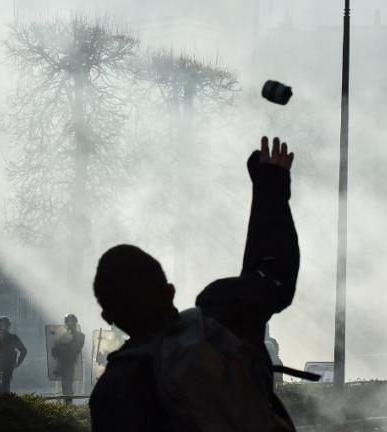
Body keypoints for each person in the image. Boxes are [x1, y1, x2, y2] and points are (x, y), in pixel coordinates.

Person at [90, 137, 299, 431]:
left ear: (109, 318)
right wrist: (270, 189)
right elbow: (271, 275)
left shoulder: (113, 391)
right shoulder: (220, 322)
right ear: (169, 291)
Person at [52, 313, 85, 404]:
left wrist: (63, 344)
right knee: (64, 386)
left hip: (69, 363)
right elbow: (54, 350)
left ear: (75, 323)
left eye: (71, 322)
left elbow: (76, 349)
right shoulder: (62, 335)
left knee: (68, 385)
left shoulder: (80, 336)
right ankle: (66, 404)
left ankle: (68, 405)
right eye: (68, 322)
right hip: (61, 363)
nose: (69, 324)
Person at [0, 316, 28, 394]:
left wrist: (18, 362)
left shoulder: (13, 337)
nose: (2, 326)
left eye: (4, 324)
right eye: (1, 324)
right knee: (0, 386)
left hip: (8, 365)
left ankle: (6, 402)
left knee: (5, 385)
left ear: (7, 326)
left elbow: (24, 350)